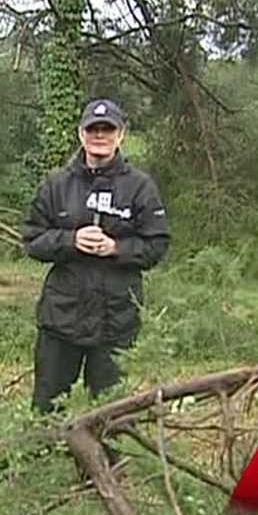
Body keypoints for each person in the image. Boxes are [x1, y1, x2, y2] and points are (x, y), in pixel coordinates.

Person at [22, 98, 171, 414]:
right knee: (47, 408)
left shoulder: (140, 187)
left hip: (116, 320)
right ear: (81, 134)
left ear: (121, 135)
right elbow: (33, 240)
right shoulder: (56, 184)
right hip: (61, 317)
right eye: (93, 129)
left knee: (110, 412)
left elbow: (157, 245)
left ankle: (103, 450)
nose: (99, 135)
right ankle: (43, 448)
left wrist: (116, 248)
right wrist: (70, 240)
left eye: (107, 129)